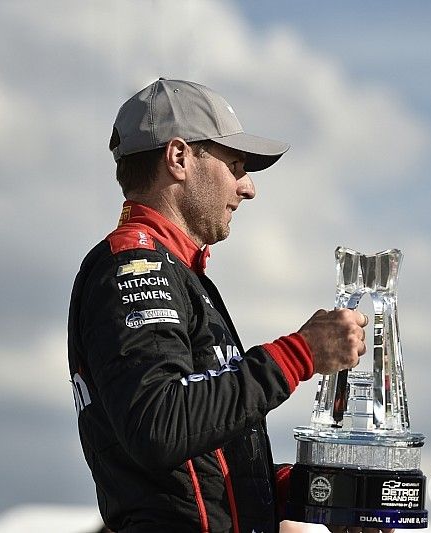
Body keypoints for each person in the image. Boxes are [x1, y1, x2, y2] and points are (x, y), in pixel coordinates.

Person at [68, 78, 370, 533]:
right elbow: (160, 424)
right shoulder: (135, 266)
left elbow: (199, 469)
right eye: (235, 164)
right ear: (178, 158)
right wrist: (300, 353)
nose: (248, 187)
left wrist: (321, 498)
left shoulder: (178, 272)